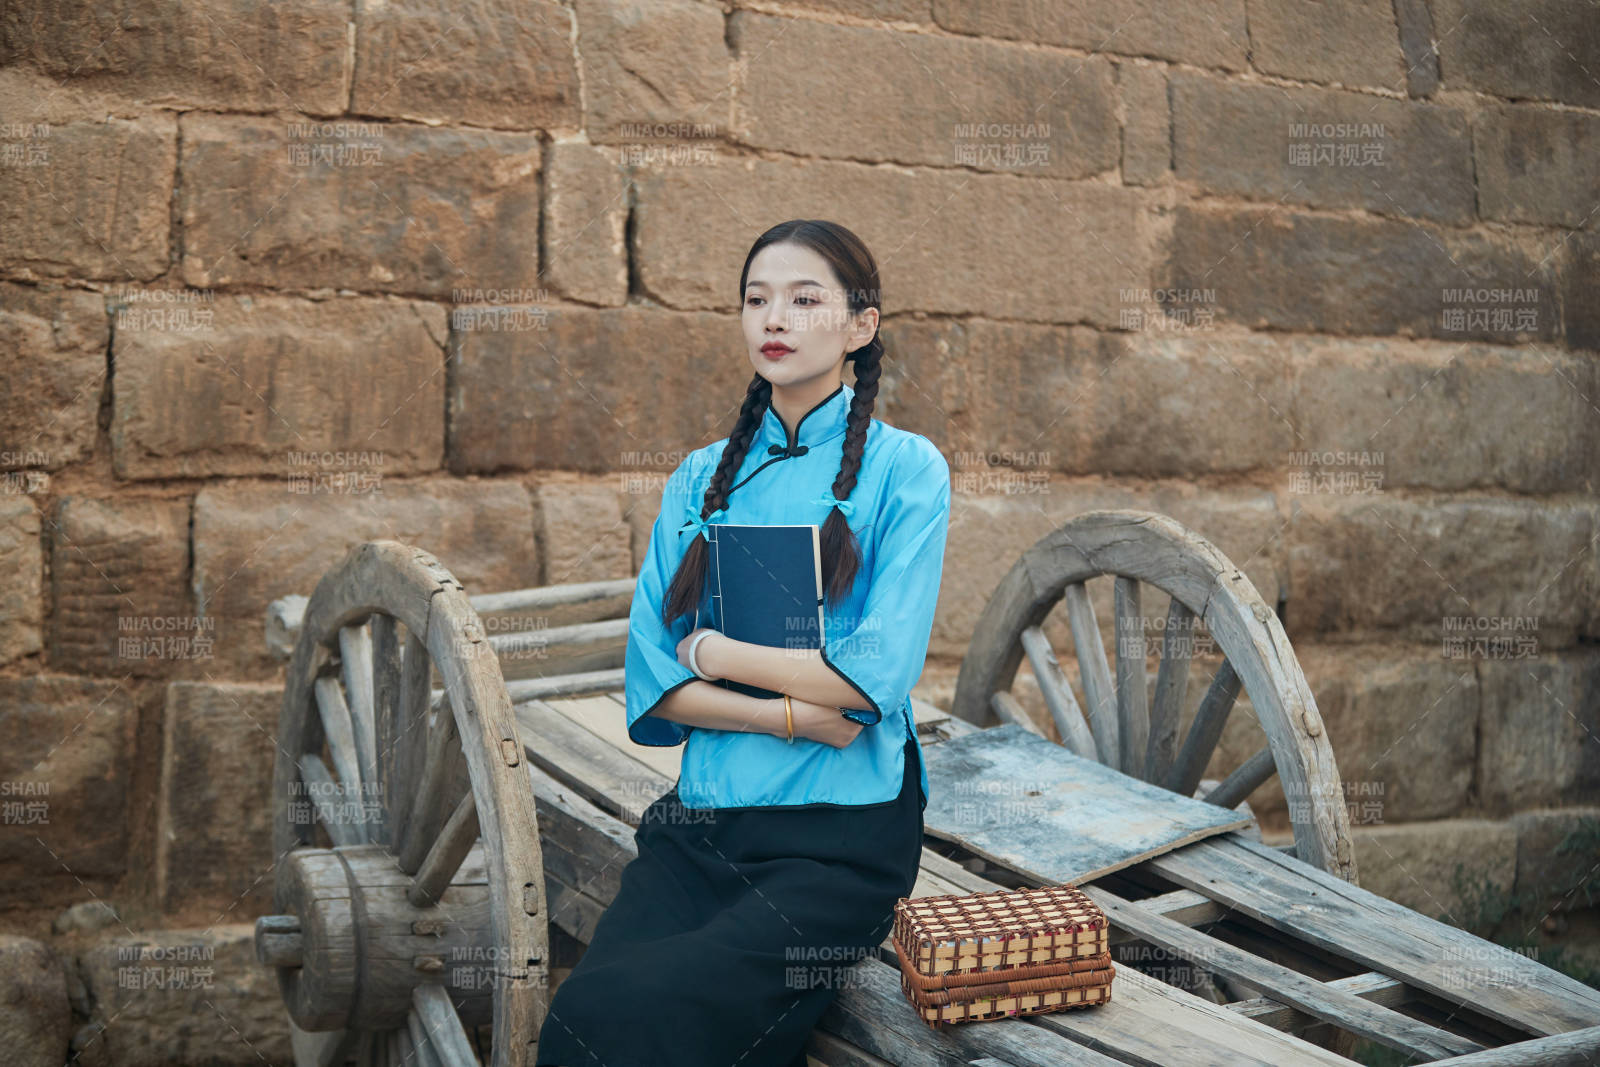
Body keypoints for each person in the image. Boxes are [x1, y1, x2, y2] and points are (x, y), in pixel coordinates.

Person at [534, 219, 952, 1067]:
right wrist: (796, 712)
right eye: (758, 299)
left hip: (839, 838)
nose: (777, 318)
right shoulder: (697, 477)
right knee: (580, 1015)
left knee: (656, 1018)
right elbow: (654, 680)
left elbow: (876, 675)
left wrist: (714, 655)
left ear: (860, 326)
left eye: (806, 299)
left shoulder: (908, 470)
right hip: (705, 823)